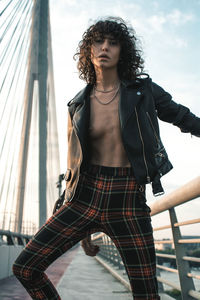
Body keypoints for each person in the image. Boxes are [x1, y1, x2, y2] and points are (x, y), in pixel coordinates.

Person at [13, 17, 200, 300]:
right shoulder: (77, 105)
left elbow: (183, 117)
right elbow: (73, 168)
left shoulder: (143, 91)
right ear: (88, 50)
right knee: (25, 267)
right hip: (83, 197)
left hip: (127, 198)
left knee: (147, 294)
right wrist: (80, 229)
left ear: (122, 52)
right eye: (98, 42)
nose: (105, 48)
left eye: (113, 43)